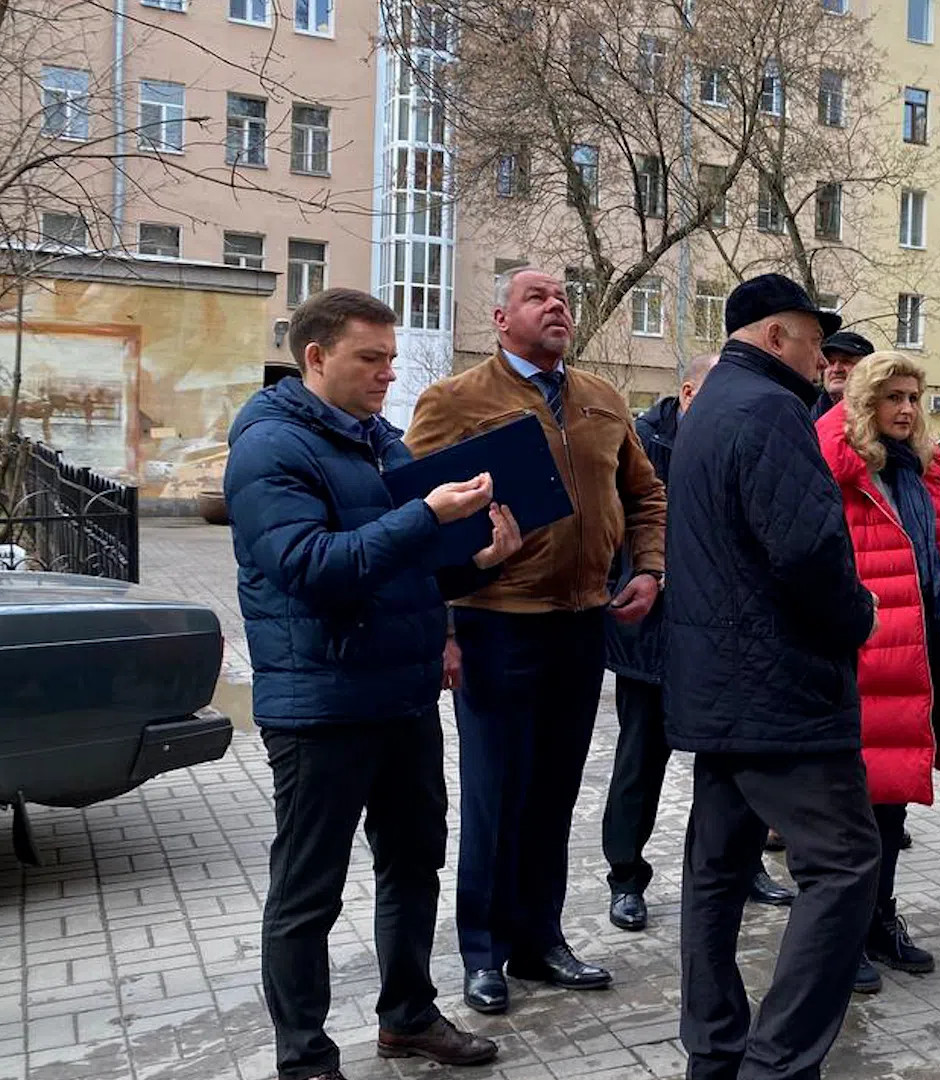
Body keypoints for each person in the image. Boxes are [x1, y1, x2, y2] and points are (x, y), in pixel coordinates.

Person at [225, 288, 513, 1080]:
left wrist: (474, 557)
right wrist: (425, 517)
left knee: (415, 863)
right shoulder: (270, 446)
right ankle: (305, 1058)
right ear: (316, 358)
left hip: (403, 695)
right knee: (308, 892)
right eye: (370, 358)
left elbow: (407, 565)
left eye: (391, 358)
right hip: (322, 704)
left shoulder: (383, 443)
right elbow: (309, 569)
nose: (389, 374)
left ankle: (408, 1017)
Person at [405, 267, 668, 1017]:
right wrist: (445, 627)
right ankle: (482, 953)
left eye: (563, 298)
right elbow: (417, 519)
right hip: (497, 622)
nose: (557, 306)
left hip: (583, 624)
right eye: (537, 297)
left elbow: (645, 492)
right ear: (500, 318)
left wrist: (648, 567)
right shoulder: (456, 401)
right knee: (496, 793)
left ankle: (540, 941)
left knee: (554, 792)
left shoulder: (601, 397)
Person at [666, 273, 881, 1080]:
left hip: (721, 687)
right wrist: (857, 615)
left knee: (716, 871)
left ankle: (714, 1051)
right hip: (780, 692)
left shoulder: (712, 406)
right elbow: (805, 551)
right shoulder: (770, 410)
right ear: (771, 334)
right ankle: (779, 1062)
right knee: (845, 863)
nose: (820, 350)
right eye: (808, 332)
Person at [601, 354, 795, 933]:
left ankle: (743, 866)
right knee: (641, 759)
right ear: (688, 392)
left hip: (723, 637)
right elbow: (624, 533)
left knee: (731, 762)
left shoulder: (740, 438)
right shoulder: (642, 445)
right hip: (653, 632)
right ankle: (626, 877)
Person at [815, 351, 940, 995]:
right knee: (849, 818)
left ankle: (880, 922)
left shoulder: (922, 472)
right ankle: (840, 941)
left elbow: (933, 567)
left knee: (892, 810)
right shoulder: (842, 468)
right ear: (865, 403)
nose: (906, 409)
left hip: (918, 650)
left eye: (914, 397)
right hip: (866, 655)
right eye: (892, 397)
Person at [811, 329, 873, 419]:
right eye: (830, 362)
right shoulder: (803, 410)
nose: (836, 369)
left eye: (846, 361)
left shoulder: (881, 417)